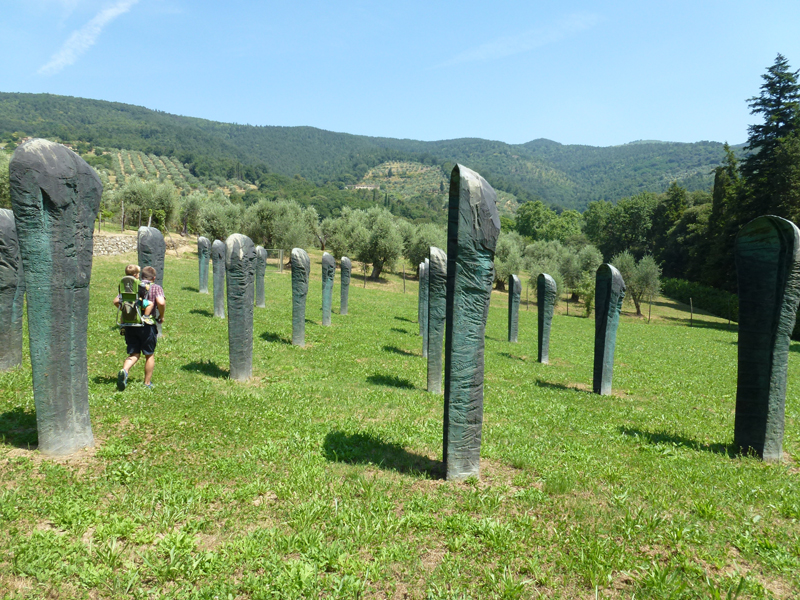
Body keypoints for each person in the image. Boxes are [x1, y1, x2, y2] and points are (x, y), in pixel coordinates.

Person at [113, 265, 165, 390]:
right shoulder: (156, 287)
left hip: (130, 324)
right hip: (146, 325)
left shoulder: (131, 287)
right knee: (149, 354)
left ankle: (125, 371)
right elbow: (161, 302)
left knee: (134, 353)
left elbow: (116, 300)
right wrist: (161, 316)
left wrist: (125, 310)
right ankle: (147, 384)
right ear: (153, 277)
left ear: (141, 276)